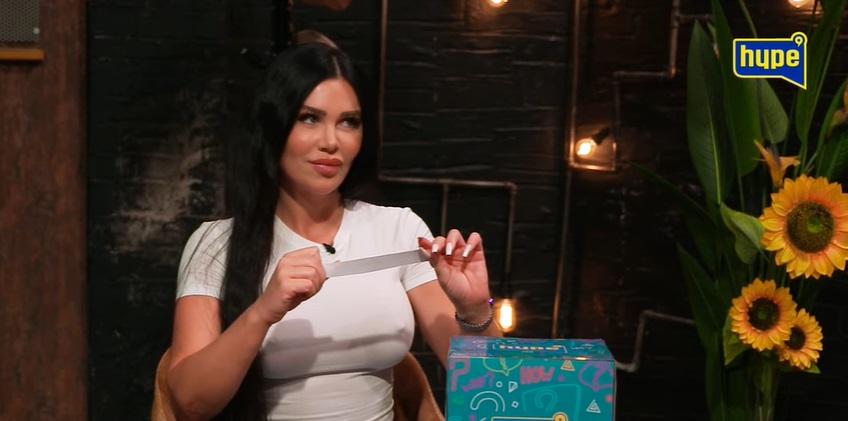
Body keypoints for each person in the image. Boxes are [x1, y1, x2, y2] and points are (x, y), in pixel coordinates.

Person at [166, 41, 502, 421]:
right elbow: (190, 402)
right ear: (274, 127)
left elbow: (491, 388)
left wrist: (475, 308)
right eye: (310, 118)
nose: (331, 142)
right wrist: (261, 313)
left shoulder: (400, 229)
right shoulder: (216, 244)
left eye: (348, 122)